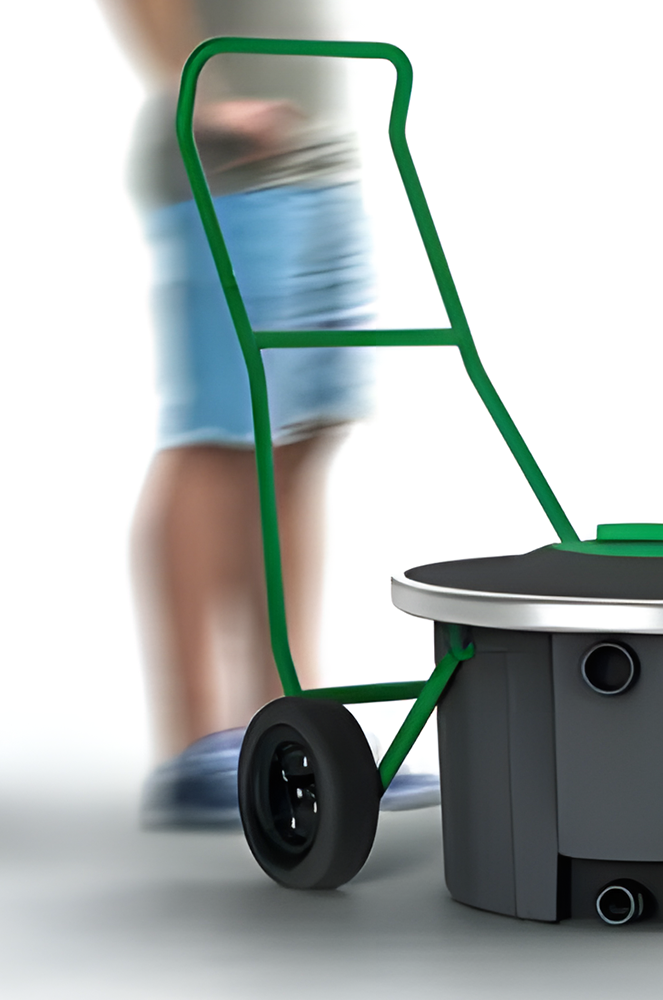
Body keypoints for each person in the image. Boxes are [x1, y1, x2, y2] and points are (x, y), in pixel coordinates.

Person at [100, 0, 438, 826]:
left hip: (316, 168)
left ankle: (289, 728)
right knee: (225, 437)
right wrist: (198, 94)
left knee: (300, 442)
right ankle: (197, 748)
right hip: (233, 173)